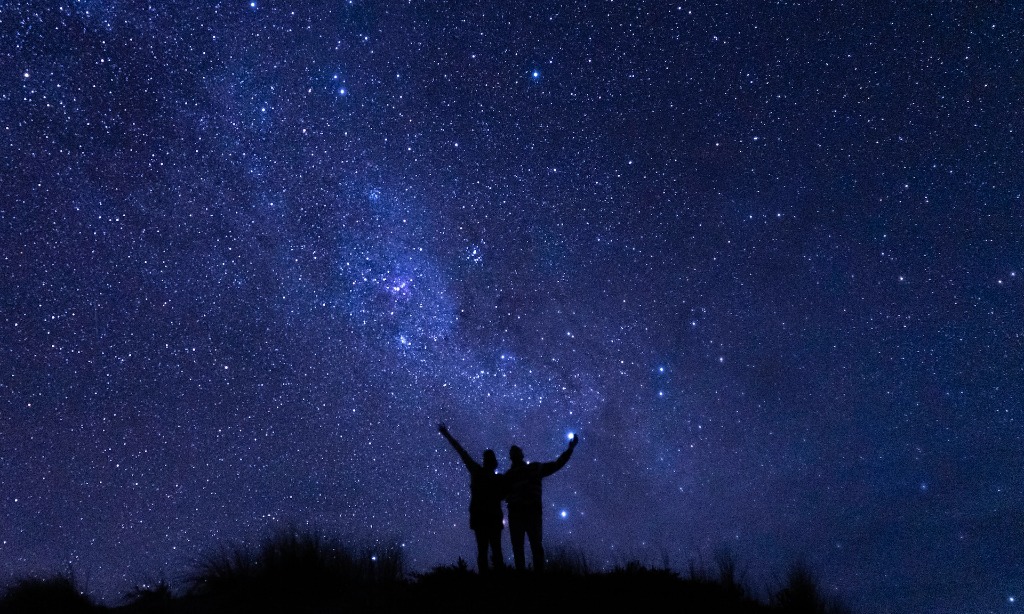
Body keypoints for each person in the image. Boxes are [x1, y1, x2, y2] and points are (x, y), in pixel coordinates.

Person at [438, 423, 506, 573]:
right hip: (490, 518)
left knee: (485, 551)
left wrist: (446, 434)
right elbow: (462, 452)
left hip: (482, 518)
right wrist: (447, 434)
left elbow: (462, 452)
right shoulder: (497, 479)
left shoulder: (479, 473)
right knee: (494, 551)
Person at [504, 433, 578, 571]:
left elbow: (556, 464)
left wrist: (570, 449)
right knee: (529, 546)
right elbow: (557, 464)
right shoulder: (515, 474)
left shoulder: (523, 471)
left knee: (527, 547)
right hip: (524, 514)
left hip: (526, 513)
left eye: (516, 451)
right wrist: (570, 449)